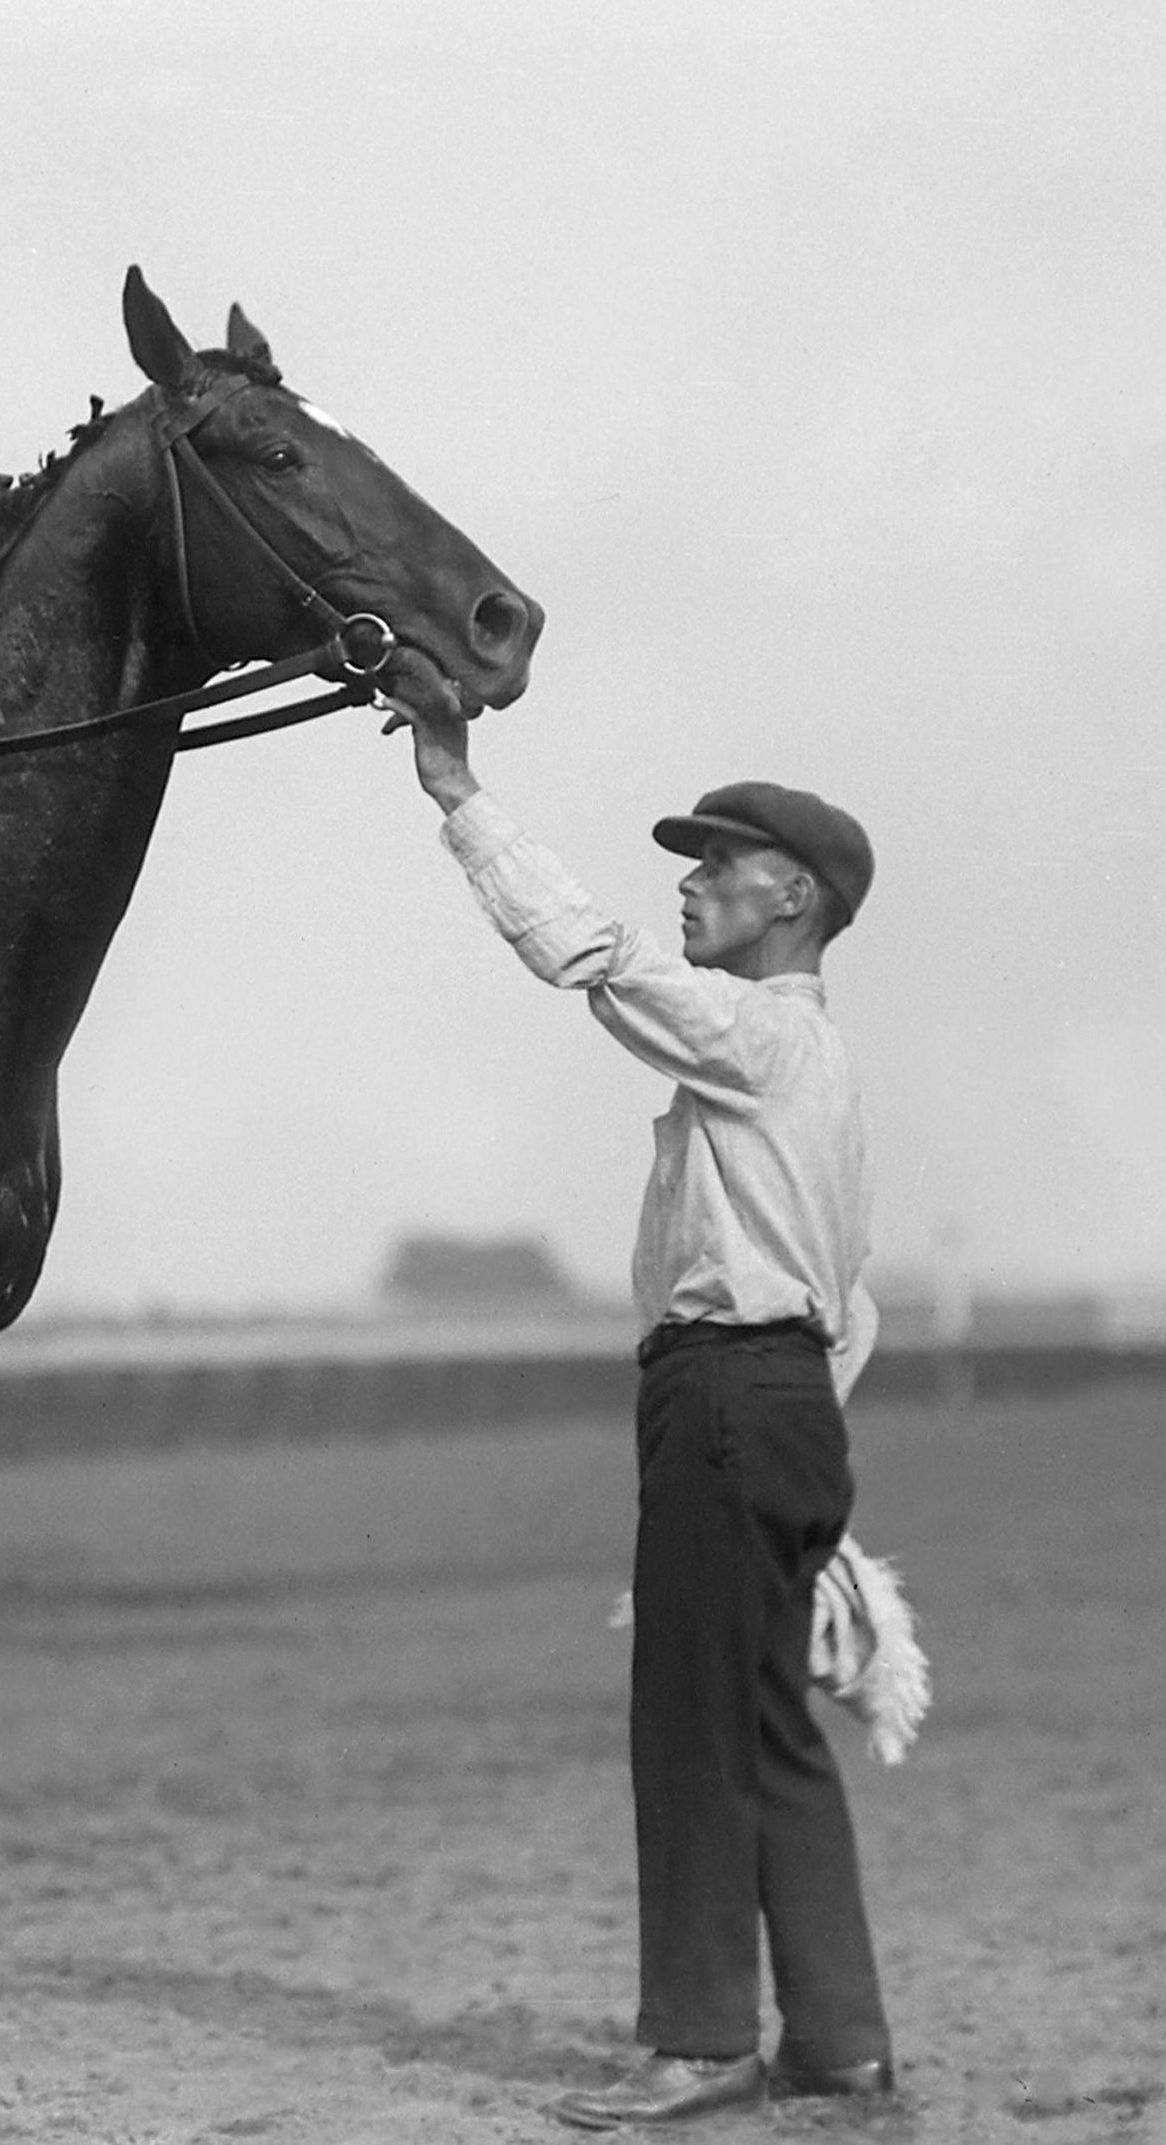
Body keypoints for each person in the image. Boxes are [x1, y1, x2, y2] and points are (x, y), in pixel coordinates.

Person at [388, 668, 896, 2128]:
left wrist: (459, 800)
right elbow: (849, 1296)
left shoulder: (758, 1037)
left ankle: (696, 2039)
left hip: (725, 1395)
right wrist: (797, 1432)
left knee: (690, 1722)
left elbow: (591, 953)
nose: (691, 888)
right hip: (784, 1400)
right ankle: (839, 2037)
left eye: (716, 866)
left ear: (789, 896)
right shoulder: (824, 1069)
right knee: (770, 1720)